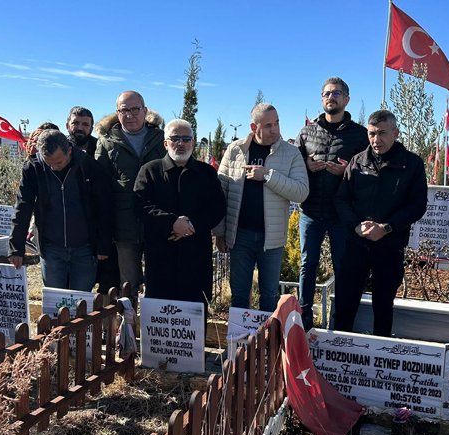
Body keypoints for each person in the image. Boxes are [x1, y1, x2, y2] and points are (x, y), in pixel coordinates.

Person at [334, 110, 427, 336]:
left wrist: (386, 228)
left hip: (389, 245)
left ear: (395, 133)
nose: (376, 140)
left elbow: (417, 205)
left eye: (382, 133)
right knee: (346, 303)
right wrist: (356, 225)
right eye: (372, 133)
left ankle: (380, 357)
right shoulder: (357, 162)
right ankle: (339, 355)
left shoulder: (412, 164)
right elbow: (341, 200)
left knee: (383, 305)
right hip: (356, 244)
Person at [214, 103, 309, 312]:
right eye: (268, 125)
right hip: (240, 237)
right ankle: (239, 343)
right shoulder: (235, 150)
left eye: (276, 123)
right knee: (239, 295)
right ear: (253, 126)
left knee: (269, 295)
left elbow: (301, 191)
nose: (274, 129)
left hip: (272, 239)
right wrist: (220, 232)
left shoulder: (290, 153)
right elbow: (221, 192)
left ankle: (268, 344)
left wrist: (268, 175)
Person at [295, 77, 368, 330]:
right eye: (326, 93)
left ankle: (340, 324)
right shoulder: (306, 132)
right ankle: (303, 321)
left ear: (346, 99)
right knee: (307, 265)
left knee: (343, 268)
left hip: (342, 215)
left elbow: (368, 172)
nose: (331, 97)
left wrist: (348, 171)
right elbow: (295, 164)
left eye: (336, 93)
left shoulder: (360, 135)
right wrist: (305, 165)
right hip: (311, 210)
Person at [133, 119, 226, 307]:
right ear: (165, 143)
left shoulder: (206, 173)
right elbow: (140, 205)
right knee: (160, 315)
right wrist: (171, 223)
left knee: (194, 317)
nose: (180, 143)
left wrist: (191, 225)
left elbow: (217, 208)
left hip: (195, 257)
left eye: (186, 138)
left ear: (193, 142)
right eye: (175, 138)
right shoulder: (150, 171)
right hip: (161, 256)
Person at [9, 130, 111, 291]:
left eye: (59, 162)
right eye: (49, 163)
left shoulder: (88, 165)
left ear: (69, 151)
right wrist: (16, 247)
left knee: (81, 303)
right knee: (55, 303)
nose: (54, 167)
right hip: (51, 248)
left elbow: (103, 205)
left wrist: (103, 243)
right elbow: (23, 206)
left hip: (84, 247)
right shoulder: (33, 167)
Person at [95, 91, 167, 295]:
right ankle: (128, 326)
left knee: (158, 280)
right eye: (124, 110)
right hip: (123, 224)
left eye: (135, 109)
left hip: (157, 222)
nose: (130, 114)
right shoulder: (107, 141)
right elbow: (101, 185)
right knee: (128, 284)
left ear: (145, 111)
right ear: (117, 113)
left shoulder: (161, 139)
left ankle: (154, 325)